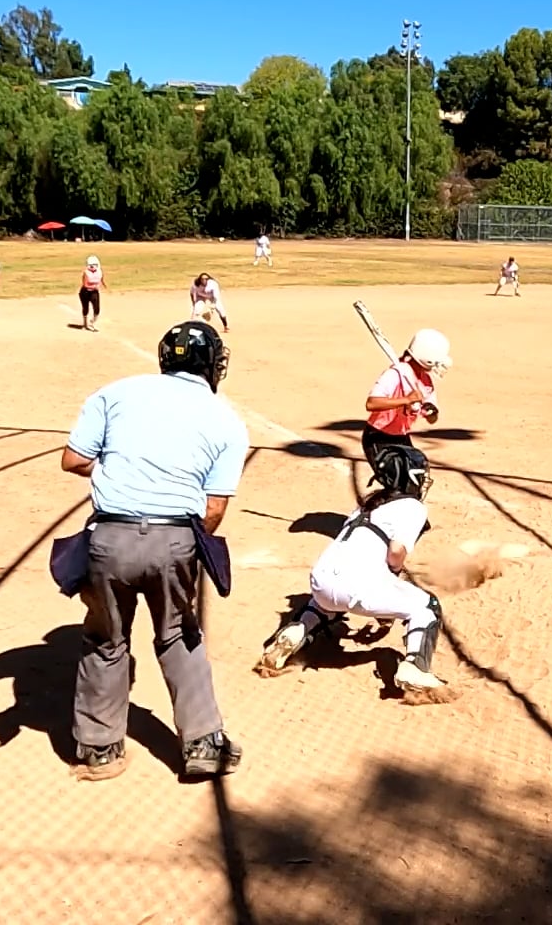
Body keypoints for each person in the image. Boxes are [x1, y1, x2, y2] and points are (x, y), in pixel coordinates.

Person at [62, 320, 249, 781]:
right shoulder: (227, 418)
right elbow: (214, 508)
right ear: (213, 365)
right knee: (179, 635)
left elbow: (73, 459)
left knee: (105, 639)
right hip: (175, 538)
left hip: (109, 537)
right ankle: (203, 745)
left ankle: (99, 750)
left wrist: (120, 473)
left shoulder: (116, 392)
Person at [254, 446, 451, 699]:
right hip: (359, 586)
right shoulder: (412, 506)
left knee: (327, 602)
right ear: (410, 477)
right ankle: (416, 667)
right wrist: (393, 576)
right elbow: (395, 552)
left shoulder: (367, 505)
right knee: (427, 606)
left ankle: (297, 630)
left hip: (321, 580)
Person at [362, 328, 451, 463]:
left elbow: (432, 419)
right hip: (377, 436)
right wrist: (406, 400)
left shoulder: (425, 382)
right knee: (395, 474)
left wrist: (430, 412)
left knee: (416, 471)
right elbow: (371, 403)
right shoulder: (395, 374)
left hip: (401, 436)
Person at [78, 255, 106, 331]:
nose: (92, 266)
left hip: (94, 292)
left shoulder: (100, 272)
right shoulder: (86, 272)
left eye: (94, 265)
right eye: (91, 265)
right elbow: (84, 282)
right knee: (85, 308)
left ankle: (92, 323)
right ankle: (85, 324)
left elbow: (102, 280)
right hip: (85, 292)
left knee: (97, 309)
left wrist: (104, 285)